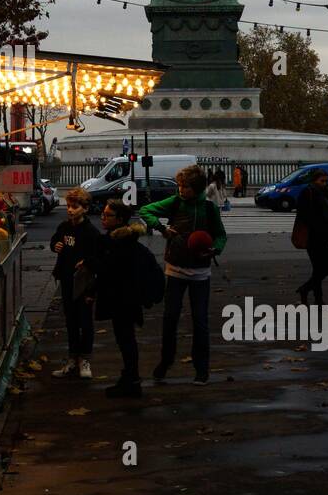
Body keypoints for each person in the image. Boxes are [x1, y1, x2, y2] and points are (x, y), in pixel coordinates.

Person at [139, 164, 227, 385]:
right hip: (176, 270)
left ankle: (201, 368)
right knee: (170, 320)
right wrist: (161, 228)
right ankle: (165, 361)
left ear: (196, 188)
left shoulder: (209, 208)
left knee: (200, 322)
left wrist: (216, 248)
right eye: (179, 185)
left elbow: (220, 235)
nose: (180, 190)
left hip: (200, 272)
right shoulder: (176, 202)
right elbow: (146, 210)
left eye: (184, 186)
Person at [93, 198, 148, 398]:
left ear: (120, 219)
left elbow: (107, 269)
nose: (103, 218)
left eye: (108, 215)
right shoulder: (127, 240)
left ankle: (132, 380)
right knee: (126, 338)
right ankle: (130, 377)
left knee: (125, 339)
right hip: (127, 298)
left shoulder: (116, 243)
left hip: (122, 299)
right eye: (103, 214)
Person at [49, 187, 101, 380]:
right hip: (67, 279)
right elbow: (54, 240)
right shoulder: (64, 227)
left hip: (84, 283)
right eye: (69, 206)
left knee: (85, 321)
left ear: (85, 209)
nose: (70, 210)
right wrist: (56, 245)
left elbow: (98, 259)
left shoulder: (91, 232)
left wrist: (87, 264)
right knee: (70, 320)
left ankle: (85, 359)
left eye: (75, 207)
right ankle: (72, 358)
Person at [295, 169, 328, 305]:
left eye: (326, 181)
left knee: (322, 269)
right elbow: (304, 214)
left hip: (324, 236)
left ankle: (315, 296)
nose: (325, 183)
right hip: (313, 237)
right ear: (314, 180)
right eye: (322, 181)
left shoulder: (324, 193)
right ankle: (309, 292)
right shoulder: (307, 192)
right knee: (323, 268)